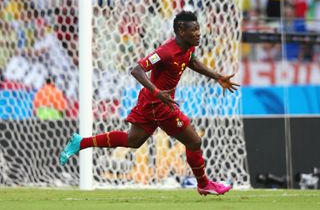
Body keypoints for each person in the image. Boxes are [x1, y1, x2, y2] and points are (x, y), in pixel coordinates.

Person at [59, 11, 239, 196]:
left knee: (133, 140)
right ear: (181, 30)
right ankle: (204, 184)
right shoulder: (165, 52)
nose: (199, 33)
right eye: (194, 30)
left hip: (153, 102)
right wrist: (157, 92)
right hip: (158, 104)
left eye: (198, 28)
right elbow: (136, 70)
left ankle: (81, 142)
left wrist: (217, 77)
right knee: (194, 141)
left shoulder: (188, 47)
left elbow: (192, 62)